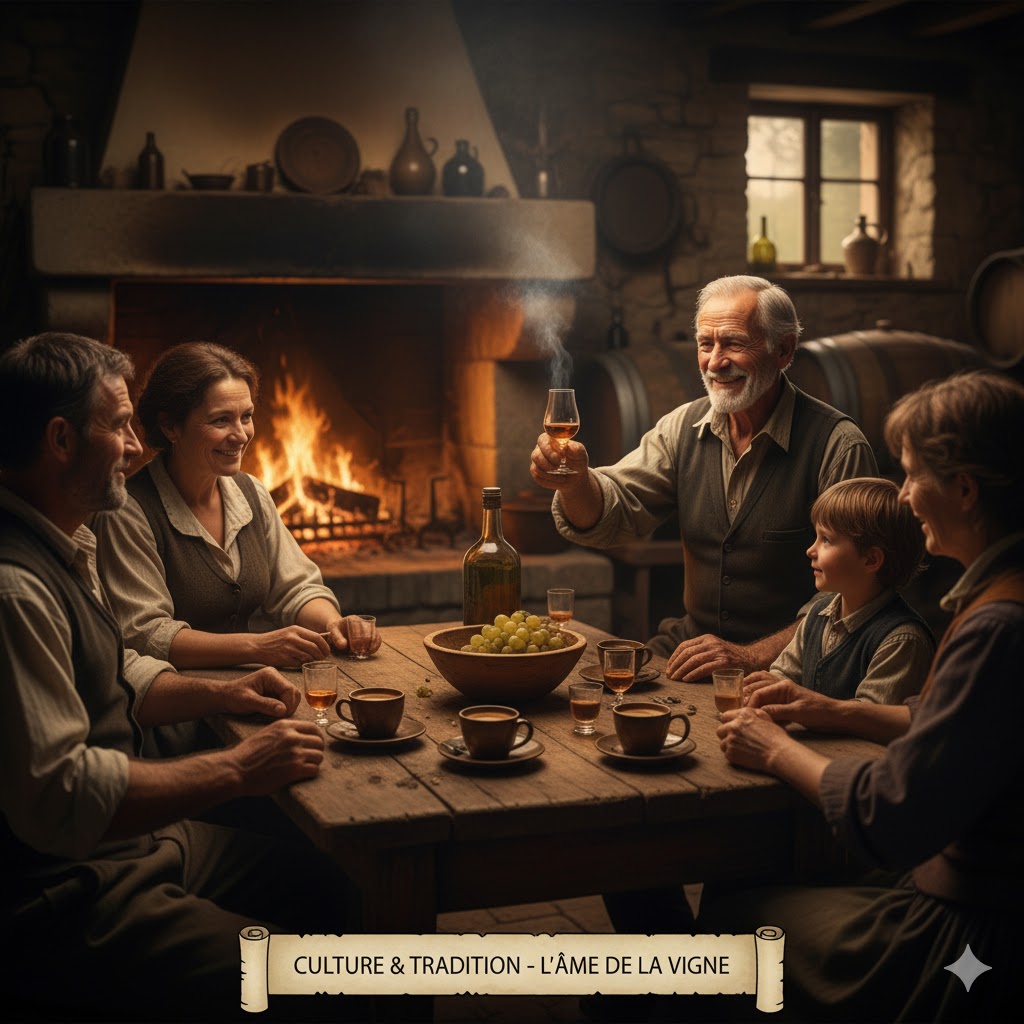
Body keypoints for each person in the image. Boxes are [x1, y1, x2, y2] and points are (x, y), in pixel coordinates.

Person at [0, 333, 352, 1020]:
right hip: (69, 887)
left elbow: (121, 669)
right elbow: (63, 793)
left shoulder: (67, 543)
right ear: (61, 440)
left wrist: (227, 690)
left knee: (338, 885)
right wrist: (239, 768)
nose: (134, 446)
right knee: (317, 980)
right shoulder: (16, 589)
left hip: (132, 845)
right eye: (119, 426)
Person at [706, 368, 1024, 1020]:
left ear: (965, 490)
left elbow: (889, 814)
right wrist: (835, 709)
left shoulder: (998, 626)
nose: (904, 497)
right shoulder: (1004, 591)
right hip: (965, 885)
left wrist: (774, 751)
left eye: (911, 476)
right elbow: (961, 721)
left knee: (734, 914)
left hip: (976, 930)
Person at [532, 275, 877, 682]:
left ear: (783, 350)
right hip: (691, 650)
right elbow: (614, 509)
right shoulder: (682, 427)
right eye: (705, 344)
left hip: (793, 670)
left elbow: (854, 598)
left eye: (733, 344)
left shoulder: (838, 446)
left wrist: (751, 656)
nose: (715, 362)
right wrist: (576, 484)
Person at [92, 340, 380, 671]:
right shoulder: (128, 511)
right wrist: (258, 647)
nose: (241, 435)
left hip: (251, 684)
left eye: (246, 417)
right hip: (176, 696)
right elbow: (147, 635)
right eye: (221, 420)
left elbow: (296, 587)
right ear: (170, 426)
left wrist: (333, 623)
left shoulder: (251, 493)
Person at [743, 476, 934, 704]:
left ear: (871, 559)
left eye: (826, 539)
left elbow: (869, 717)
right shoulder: (816, 615)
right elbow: (783, 676)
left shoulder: (901, 640)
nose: (810, 550)